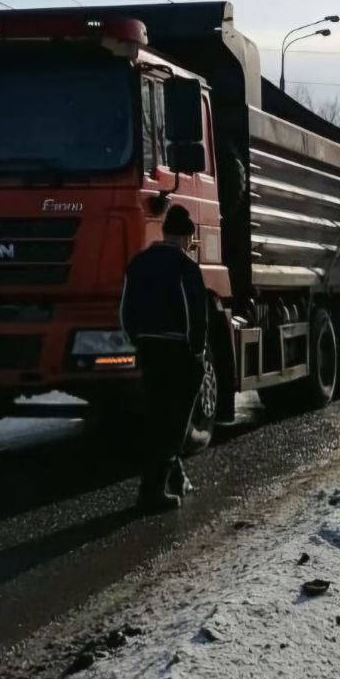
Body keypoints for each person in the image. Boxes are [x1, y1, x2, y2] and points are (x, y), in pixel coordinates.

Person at [119, 204, 208, 511]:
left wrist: (137, 341)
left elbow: (125, 309)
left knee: (158, 416)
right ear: (185, 237)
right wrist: (197, 353)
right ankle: (151, 493)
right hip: (178, 353)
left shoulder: (139, 263)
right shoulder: (186, 267)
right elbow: (196, 315)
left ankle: (175, 479)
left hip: (149, 350)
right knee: (174, 424)